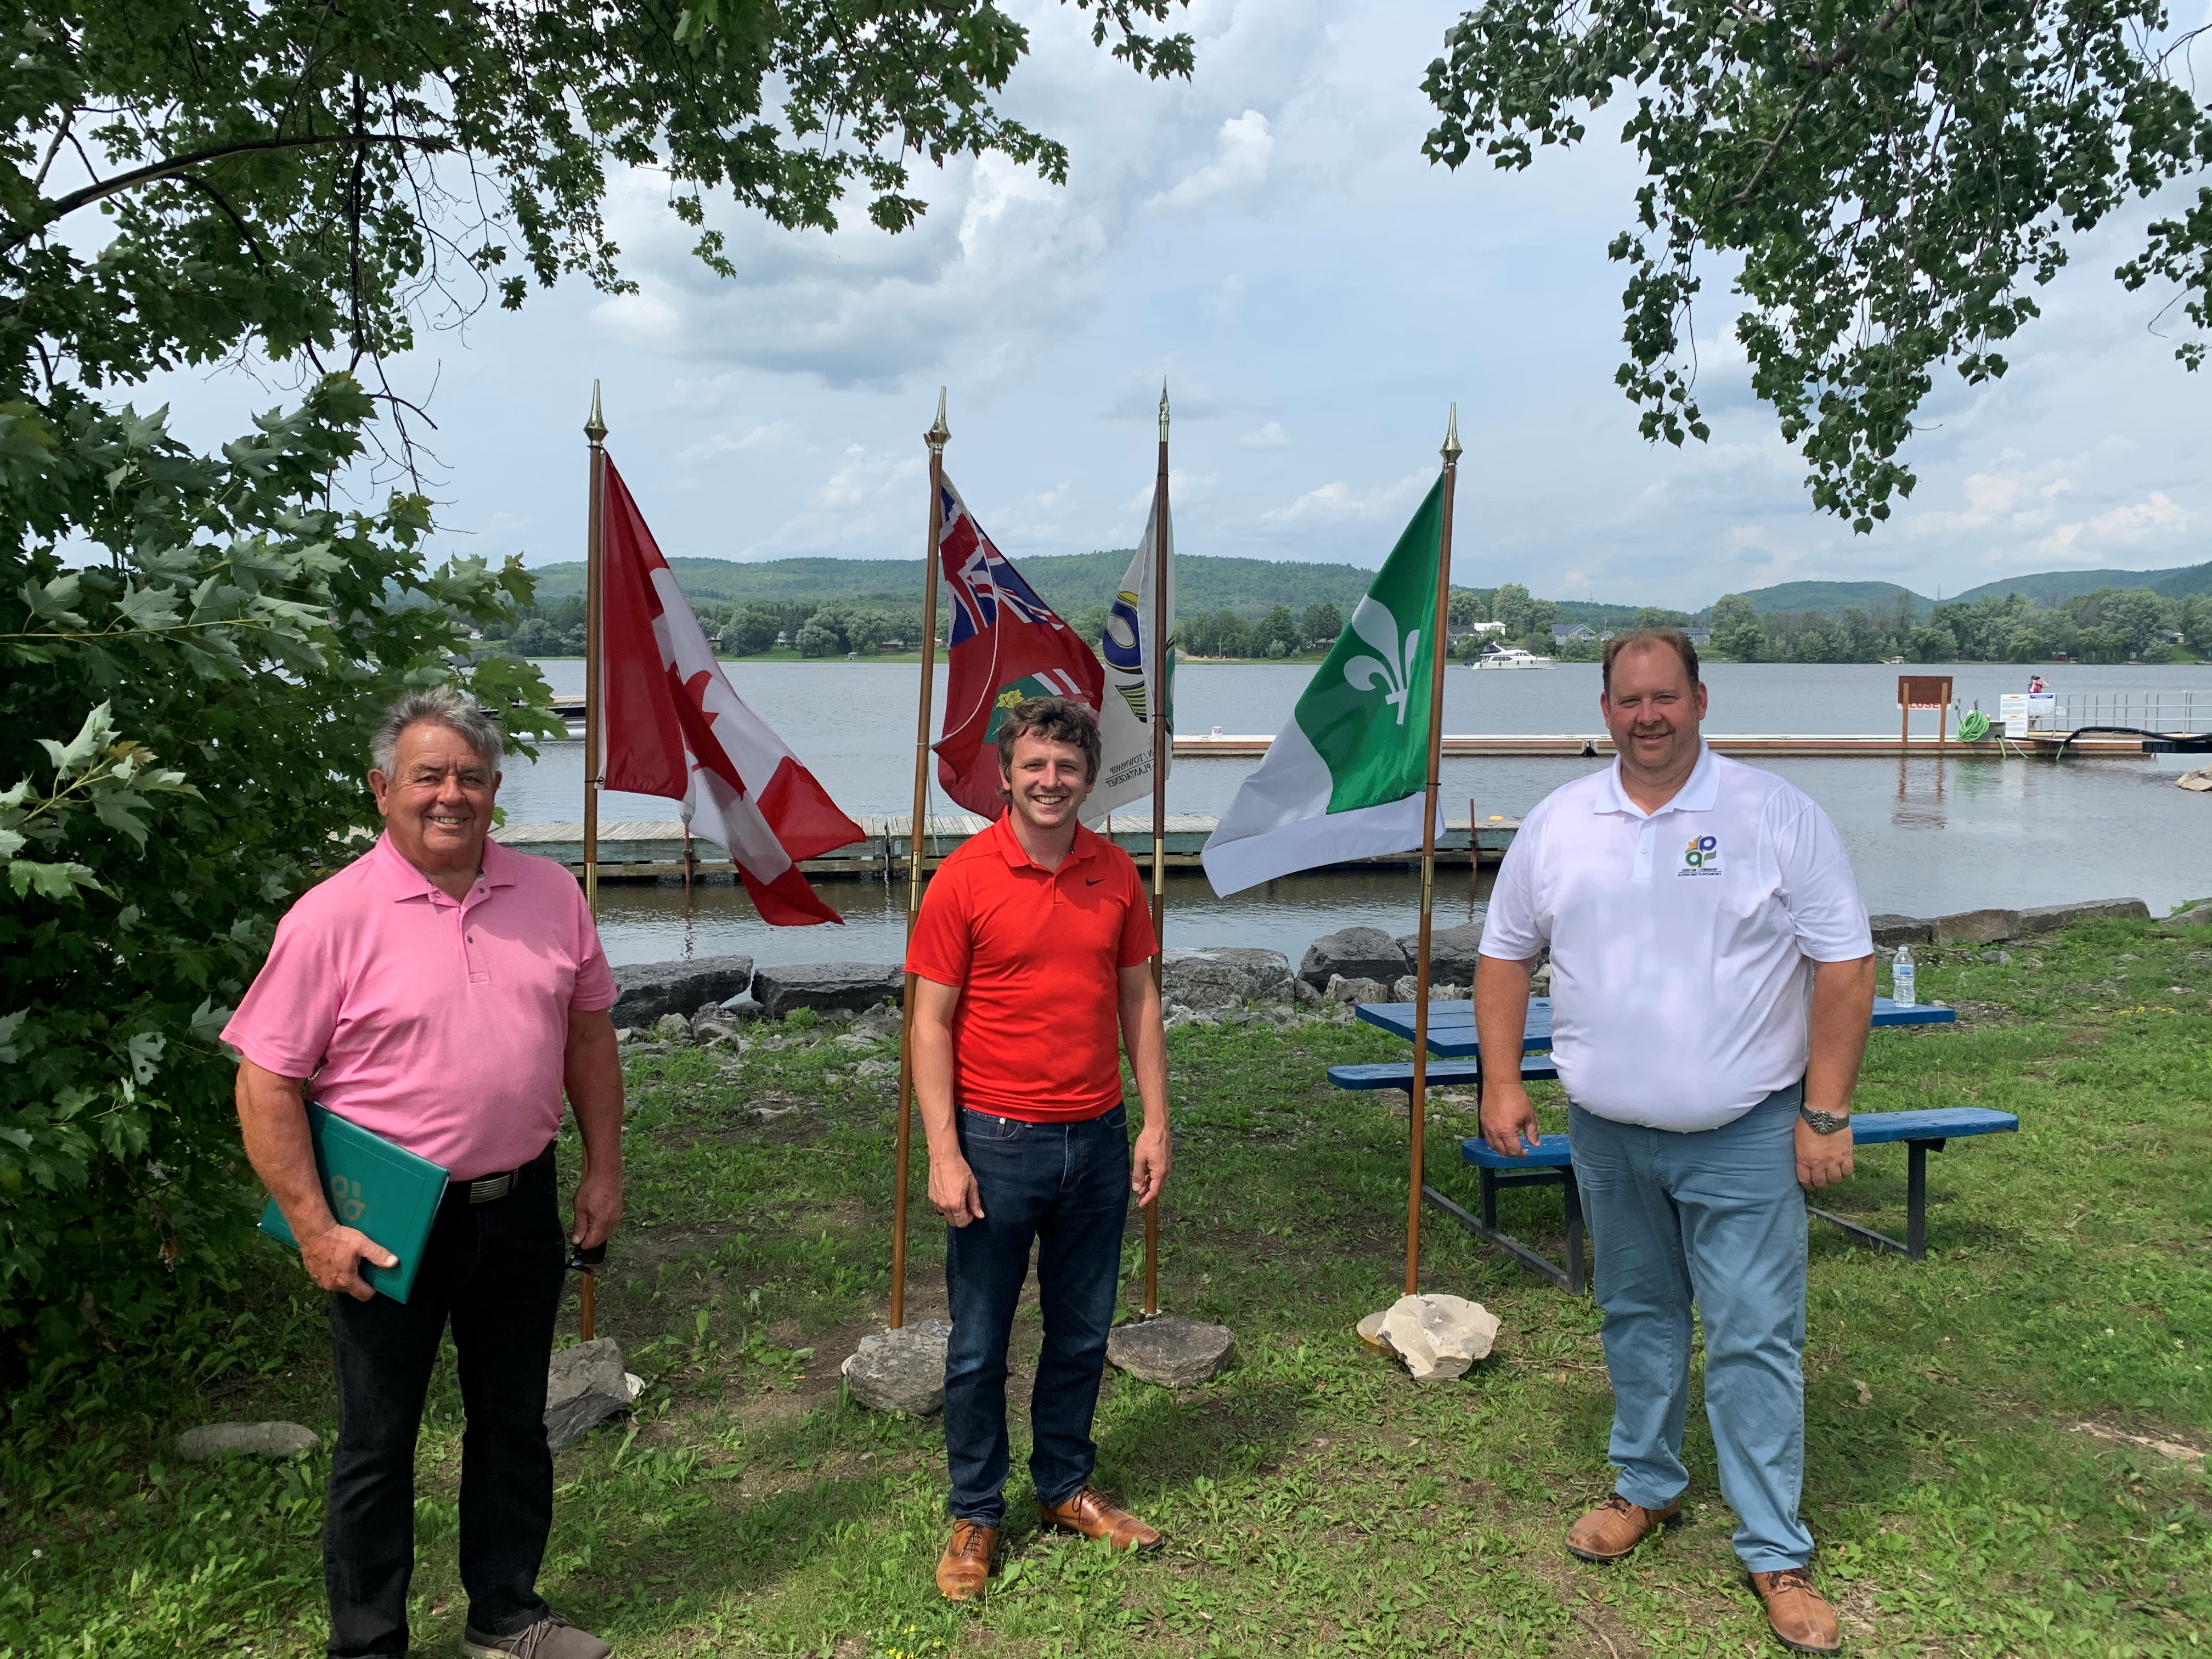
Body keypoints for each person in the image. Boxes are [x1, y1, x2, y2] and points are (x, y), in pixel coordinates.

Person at [1475, 629, 1875, 1657]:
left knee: (1752, 1337)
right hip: (1608, 1132)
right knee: (1637, 1314)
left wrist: (1825, 1110)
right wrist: (1505, 1080)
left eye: (1665, 697)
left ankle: (1775, 1551)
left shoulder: (1772, 814)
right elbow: (1505, 955)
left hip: (1743, 1131)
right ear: (1603, 710)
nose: (1647, 716)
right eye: (1628, 700)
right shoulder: (1563, 823)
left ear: (1701, 700)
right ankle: (1647, 1487)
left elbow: (1845, 963)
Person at [226, 688, 624, 1659]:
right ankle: (368, 1645)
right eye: (429, 776)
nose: (452, 795)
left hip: (519, 1202)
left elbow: (588, 1039)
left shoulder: (551, 895)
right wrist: (317, 1230)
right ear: (382, 789)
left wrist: (603, 1170)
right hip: (391, 1219)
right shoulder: (331, 916)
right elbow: (266, 1082)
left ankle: (506, 1616)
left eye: (473, 778)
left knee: (511, 1424)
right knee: (377, 1443)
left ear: (495, 790)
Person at [906, 696, 1172, 1601]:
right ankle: (977, 1513)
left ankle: (1062, 1487)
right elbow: (929, 1023)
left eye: (1067, 768)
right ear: (1006, 776)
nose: (1050, 781)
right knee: (979, 1344)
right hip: (996, 1141)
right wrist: (946, 1152)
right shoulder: (966, 879)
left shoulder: (1115, 874)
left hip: (1096, 1139)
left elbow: (1138, 999)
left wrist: (1155, 1120)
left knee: (1082, 1332)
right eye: (1035, 766)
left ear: (1088, 780)